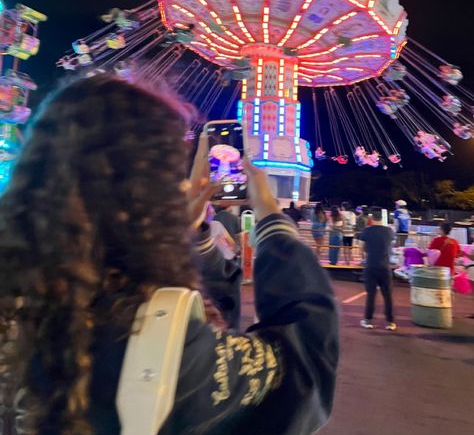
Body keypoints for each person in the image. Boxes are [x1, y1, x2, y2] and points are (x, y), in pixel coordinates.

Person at [0, 75, 339, 435]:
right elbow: (303, 363)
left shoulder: (21, 307)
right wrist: (271, 216)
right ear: (149, 195)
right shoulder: (164, 347)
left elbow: (208, 321)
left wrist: (193, 238)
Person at [358, 206, 397, 331]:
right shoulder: (389, 231)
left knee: (371, 294)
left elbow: (361, 248)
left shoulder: (367, 231)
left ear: (371, 218)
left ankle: (368, 320)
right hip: (385, 266)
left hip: (371, 265)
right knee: (387, 295)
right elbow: (391, 247)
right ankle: (390, 322)